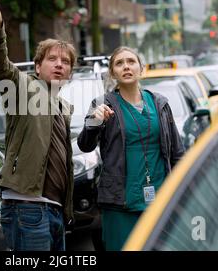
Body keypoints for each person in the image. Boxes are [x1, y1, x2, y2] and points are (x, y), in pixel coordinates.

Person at [0, 0, 76, 251]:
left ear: (70, 73)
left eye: (65, 62)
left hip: (55, 212)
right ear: (38, 66)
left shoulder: (64, 107)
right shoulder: (22, 88)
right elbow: (0, 66)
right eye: (52, 59)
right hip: (27, 208)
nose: (59, 65)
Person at [77, 46, 185, 251]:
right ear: (112, 73)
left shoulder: (159, 103)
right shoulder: (103, 104)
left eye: (131, 61)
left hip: (161, 199)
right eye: (119, 63)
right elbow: (85, 144)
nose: (126, 66)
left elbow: (177, 153)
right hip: (121, 203)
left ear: (141, 68)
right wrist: (94, 121)